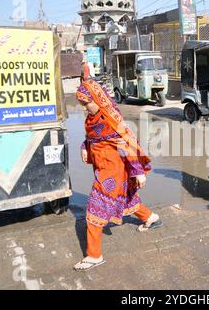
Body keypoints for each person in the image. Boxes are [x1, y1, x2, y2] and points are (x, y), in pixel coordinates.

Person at [73, 79, 162, 272]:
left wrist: (138, 172)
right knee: (127, 199)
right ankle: (150, 217)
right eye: (82, 105)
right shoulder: (92, 119)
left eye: (86, 103)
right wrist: (84, 146)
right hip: (103, 167)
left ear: (97, 99)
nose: (85, 108)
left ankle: (94, 255)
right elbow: (92, 138)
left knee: (94, 210)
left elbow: (126, 146)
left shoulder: (112, 120)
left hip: (111, 174)